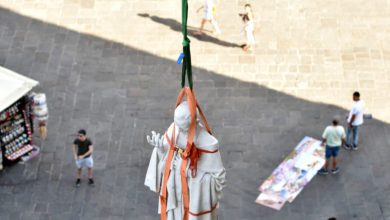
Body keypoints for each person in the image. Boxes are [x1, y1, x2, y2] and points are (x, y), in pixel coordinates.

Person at [145, 91, 226, 220]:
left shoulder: (208, 143)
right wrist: (160, 150)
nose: (178, 131)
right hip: (175, 197)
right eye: (176, 125)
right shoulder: (174, 129)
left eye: (183, 128)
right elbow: (165, 157)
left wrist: (188, 172)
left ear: (194, 122)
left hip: (194, 201)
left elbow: (219, 180)